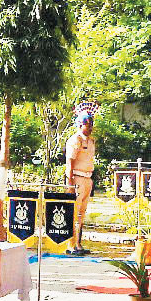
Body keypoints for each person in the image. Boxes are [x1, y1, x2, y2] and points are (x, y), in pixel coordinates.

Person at [65, 104, 97, 254]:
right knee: (74, 212)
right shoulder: (75, 139)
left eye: (91, 123)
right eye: (87, 123)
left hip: (87, 178)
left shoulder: (91, 141)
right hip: (77, 178)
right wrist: (70, 184)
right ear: (79, 124)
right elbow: (70, 163)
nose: (90, 126)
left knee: (82, 213)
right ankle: (71, 245)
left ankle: (79, 244)